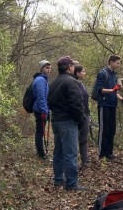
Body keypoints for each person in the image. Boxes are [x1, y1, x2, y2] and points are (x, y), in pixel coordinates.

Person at [48, 56, 87, 191]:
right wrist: (80, 120)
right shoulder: (71, 82)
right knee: (70, 153)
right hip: (68, 122)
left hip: (56, 121)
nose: (74, 67)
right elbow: (76, 104)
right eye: (72, 65)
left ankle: (58, 180)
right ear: (69, 67)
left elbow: (50, 102)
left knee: (58, 152)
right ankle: (71, 184)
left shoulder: (53, 83)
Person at [94, 54, 123, 160]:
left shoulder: (114, 75)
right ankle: (101, 153)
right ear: (111, 62)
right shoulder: (103, 73)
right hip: (104, 104)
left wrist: (121, 98)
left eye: (119, 63)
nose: (119, 65)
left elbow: (114, 90)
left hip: (113, 105)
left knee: (112, 130)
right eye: (117, 63)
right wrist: (113, 90)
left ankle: (109, 153)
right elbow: (100, 89)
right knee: (104, 129)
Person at [32, 59, 51, 159]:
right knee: (40, 131)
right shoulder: (40, 80)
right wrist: (44, 110)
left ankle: (41, 152)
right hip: (40, 110)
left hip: (42, 109)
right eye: (46, 68)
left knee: (41, 131)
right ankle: (41, 153)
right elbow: (41, 97)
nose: (49, 70)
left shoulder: (43, 79)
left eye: (49, 68)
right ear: (41, 69)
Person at [74, 65, 90, 168]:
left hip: (86, 115)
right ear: (77, 73)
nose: (84, 73)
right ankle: (73, 163)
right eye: (83, 72)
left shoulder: (82, 85)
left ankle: (85, 161)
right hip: (78, 115)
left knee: (84, 139)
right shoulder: (74, 84)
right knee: (74, 139)